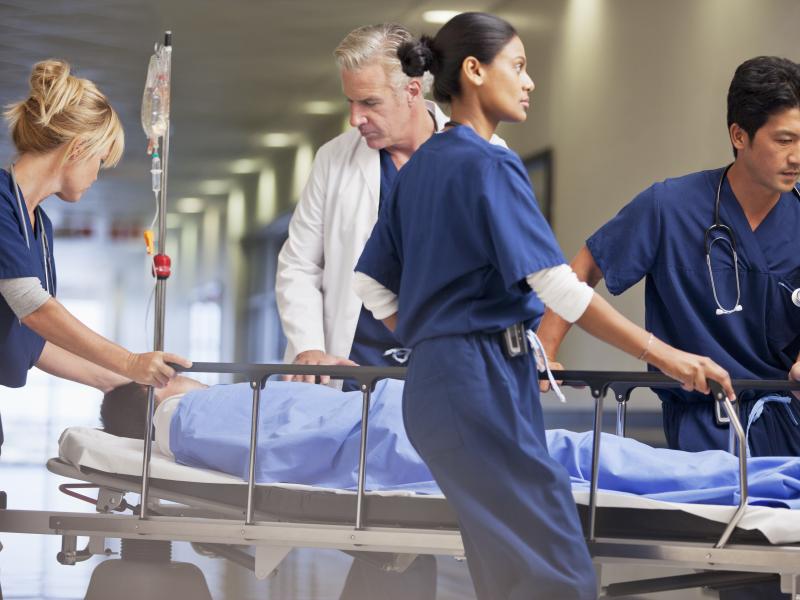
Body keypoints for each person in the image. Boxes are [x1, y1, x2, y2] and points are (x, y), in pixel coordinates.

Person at [353, 13, 735, 600]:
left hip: (438, 387)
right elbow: (559, 288)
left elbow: (371, 286)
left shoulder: (420, 165)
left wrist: (435, 336)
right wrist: (669, 357)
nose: (529, 82)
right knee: (560, 577)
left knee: (507, 577)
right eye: (520, 66)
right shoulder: (490, 163)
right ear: (476, 71)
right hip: (477, 385)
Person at [536, 55, 800, 600]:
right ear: (739, 135)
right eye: (784, 140)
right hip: (710, 423)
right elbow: (580, 271)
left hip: (791, 418)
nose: (797, 157)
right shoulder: (670, 207)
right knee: (746, 581)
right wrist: (547, 347)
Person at [275, 23, 506, 389]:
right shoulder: (334, 159)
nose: (355, 118)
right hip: (349, 369)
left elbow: (506, 273)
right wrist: (309, 347)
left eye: (369, 102)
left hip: (447, 371)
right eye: (350, 101)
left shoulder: (486, 157)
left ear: (412, 90)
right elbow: (300, 263)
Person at [0, 61, 190, 407]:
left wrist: (119, 380)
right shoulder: (0, 203)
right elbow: (33, 309)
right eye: (99, 161)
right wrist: (130, 362)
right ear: (77, 149)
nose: (96, 176)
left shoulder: (39, 228)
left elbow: (32, 337)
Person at [100, 376, 438, 493]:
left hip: (385, 420)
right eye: (169, 375)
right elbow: (287, 437)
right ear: (154, 388)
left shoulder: (194, 425)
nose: (185, 375)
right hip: (392, 428)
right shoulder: (188, 415)